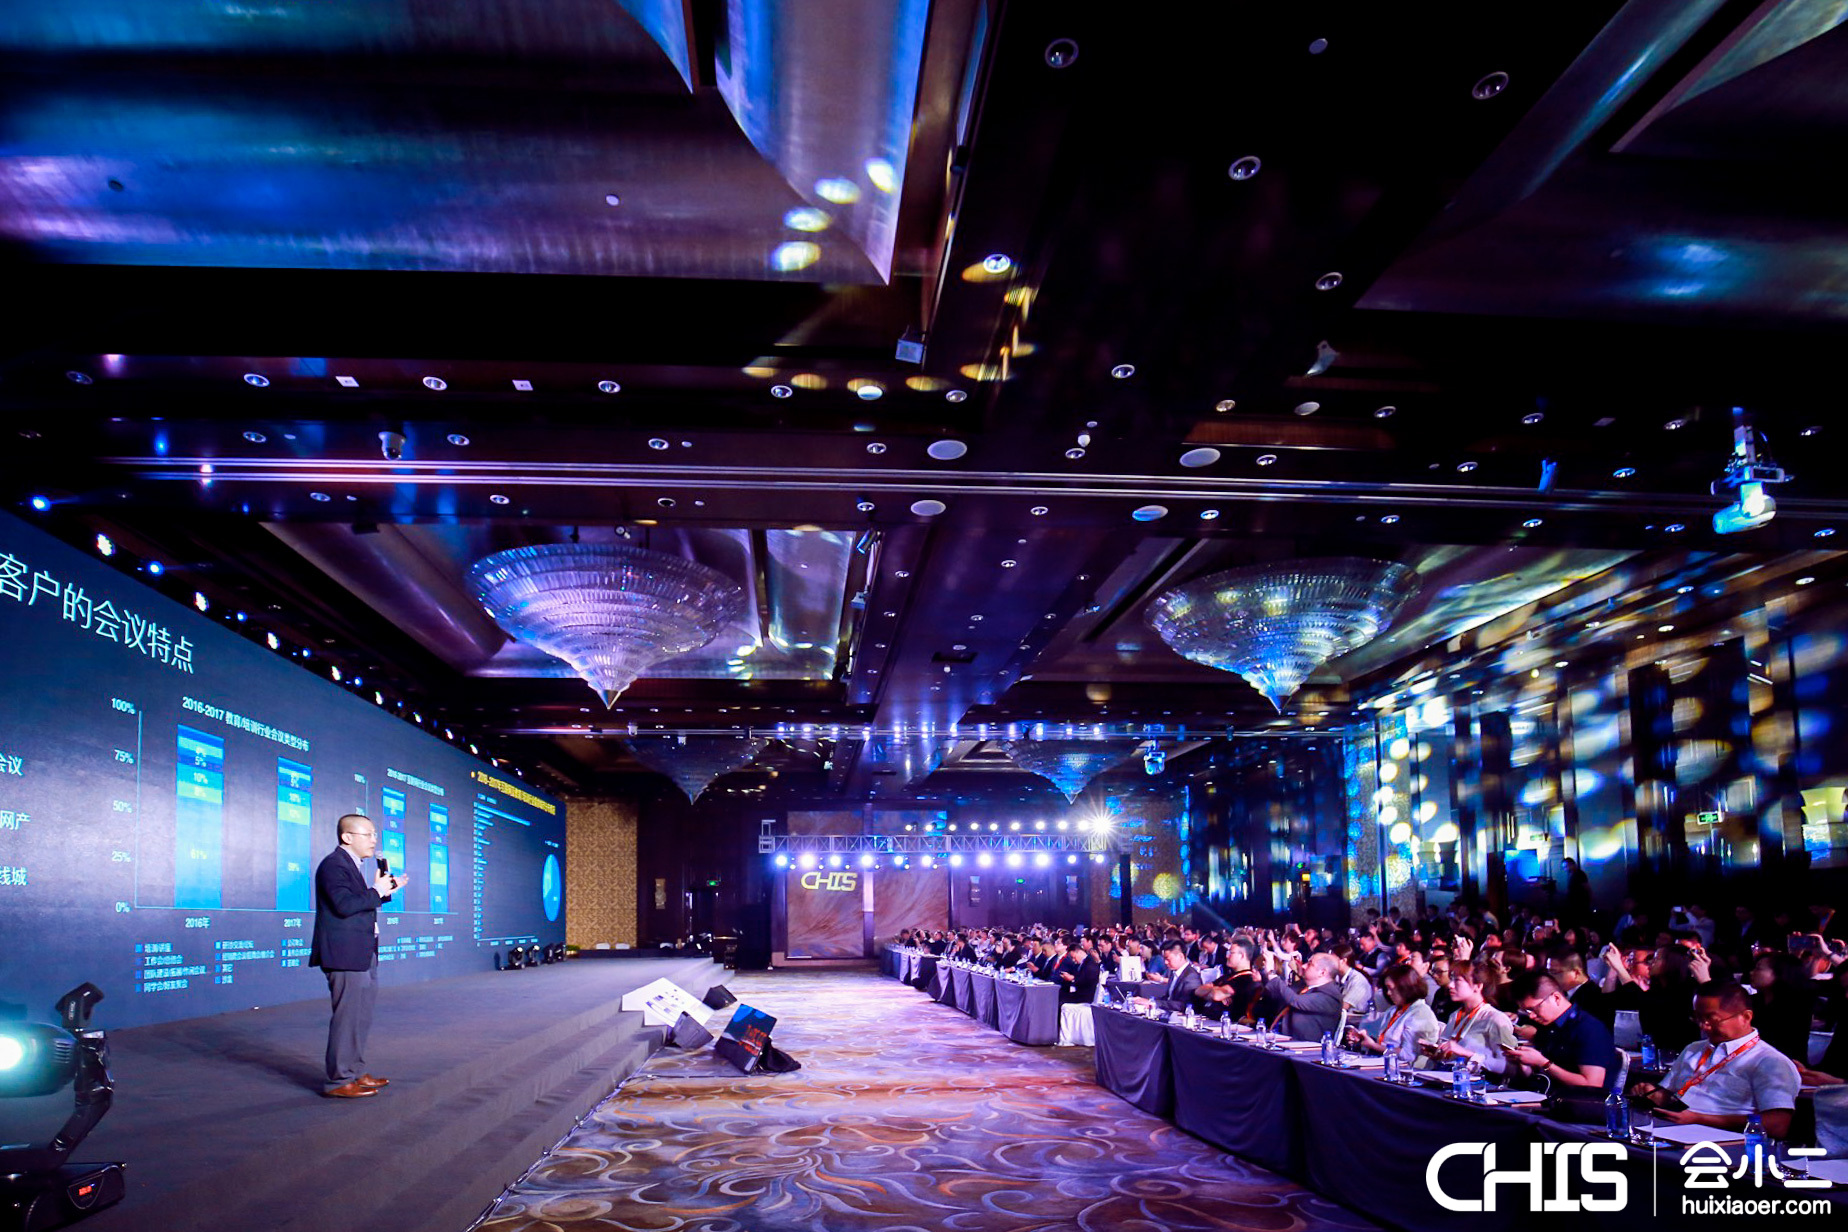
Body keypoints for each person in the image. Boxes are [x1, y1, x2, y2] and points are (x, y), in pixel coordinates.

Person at [1629, 980, 1801, 1141]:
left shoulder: (1769, 1062)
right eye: (1698, 1018)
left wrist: (1700, 1119)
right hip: (1674, 1127)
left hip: (1725, 1140)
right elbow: (1671, 1096)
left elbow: (1777, 1125)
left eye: (1712, 1019)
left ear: (1746, 1017)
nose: (1703, 1026)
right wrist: (1653, 1095)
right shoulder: (1694, 1049)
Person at [310, 813, 407, 1099]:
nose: (374, 840)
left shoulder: (352, 865)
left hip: (362, 952)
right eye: (368, 834)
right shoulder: (334, 865)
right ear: (347, 837)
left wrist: (383, 892)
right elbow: (343, 905)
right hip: (344, 954)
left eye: (375, 834)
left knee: (360, 1017)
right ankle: (338, 1080)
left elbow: (359, 903)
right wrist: (376, 890)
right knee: (347, 1018)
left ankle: (354, 1071)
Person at [1504, 972, 1618, 1099]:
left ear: (1556, 998)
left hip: (1580, 1104)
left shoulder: (1589, 1028)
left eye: (1534, 1009)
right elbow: (1543, 1076)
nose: (1531, 1016)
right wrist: (1524, 1062)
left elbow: (1592, 1085)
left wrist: (1543, 1063)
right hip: (1548, 1097)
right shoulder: (1549, 1026)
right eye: (1527, 1011)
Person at [1426, 959, 1517, 1072]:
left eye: (1457, 980)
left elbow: (1510, 1067)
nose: (1450, 985)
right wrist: (1437, 1054)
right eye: (1452, 979)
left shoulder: (1495, 1019)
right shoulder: (1455, 1015)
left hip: (1476, 1081)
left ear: (1477, 986)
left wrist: (1468, 1054)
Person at [1350, 963, 1442, 1067]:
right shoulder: (1394, 1010)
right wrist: (1363, 1038)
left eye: (1391, 988)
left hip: (1409, 1070)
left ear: (1404, 987)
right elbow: (1382, 1041)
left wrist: (1374, 1046)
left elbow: (1408, 1056)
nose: (1388, 993)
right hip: (1385, 1064)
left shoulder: (1421, 1013)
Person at [1260, 951, 1345, 1042]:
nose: (1304, 966)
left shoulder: (1331, 996)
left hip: (1306, 1046)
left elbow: (1296, 1001)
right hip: (1281, 1039)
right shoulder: (1302, 986)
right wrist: (1266, 972)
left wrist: (1271, 973)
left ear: (1322, 972)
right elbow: (1280, 995)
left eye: (1310, 964)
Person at [1133, 941, 1201, 1014]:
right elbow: (1167, 998)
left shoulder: (1191, 976)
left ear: (1180, 957)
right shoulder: (1173, 972)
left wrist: (1152, 1003)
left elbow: (1184, 1005)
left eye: (1168, 959)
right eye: (1164, 959)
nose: (1165, 962)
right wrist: (1147, 1001)